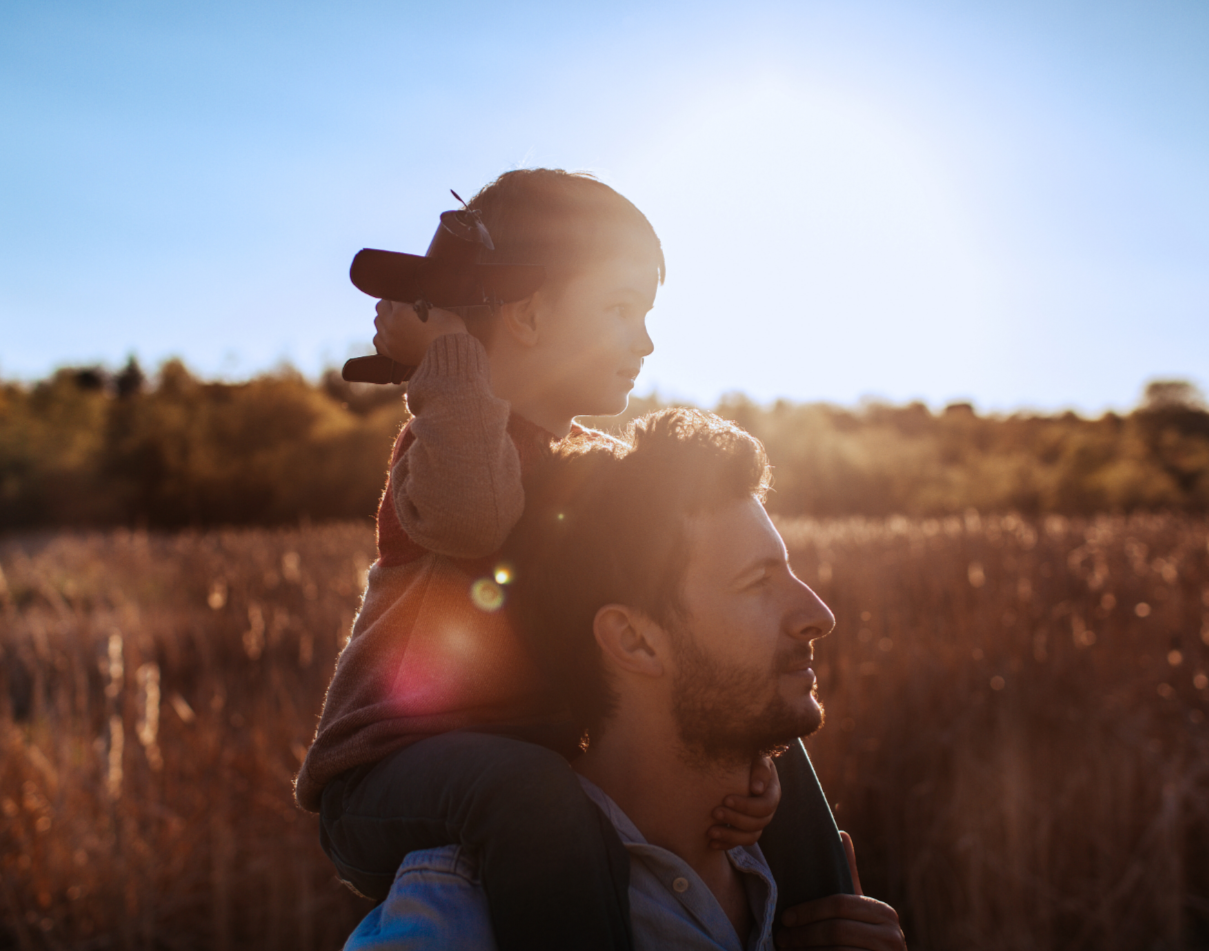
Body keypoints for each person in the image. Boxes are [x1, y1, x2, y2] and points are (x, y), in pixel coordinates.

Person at [294, 171, 801, 951]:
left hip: (530, 752)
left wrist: (741, 763)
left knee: (750, 683)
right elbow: (472, 517)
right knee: (531, 795)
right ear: (528, 313)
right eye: (619, 309)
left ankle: (826, 918)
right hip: (390, 776)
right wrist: (452, 348)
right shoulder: (441, 449)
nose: (644, 341)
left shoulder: (590, 464)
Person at [343, 408, 904, 950]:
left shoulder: (808, 887)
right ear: (635, 640)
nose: (820, 615)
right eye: (758, 582)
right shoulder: (464, 916)